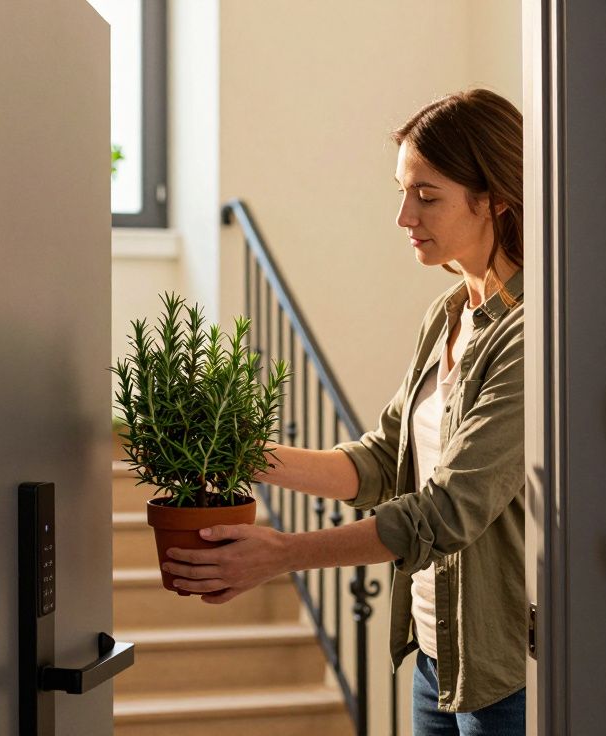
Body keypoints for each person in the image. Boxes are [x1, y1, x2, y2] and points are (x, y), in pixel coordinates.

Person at [161, 88, 527, 735]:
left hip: (502, 673)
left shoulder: (530, 333)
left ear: (495, 196)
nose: (404, 216)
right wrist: (235, 451)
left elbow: (448, 510)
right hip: (435, 654)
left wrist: (283, 553)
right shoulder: (446, 315)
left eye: (427, 196)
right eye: (403, 192)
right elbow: (382, 461)